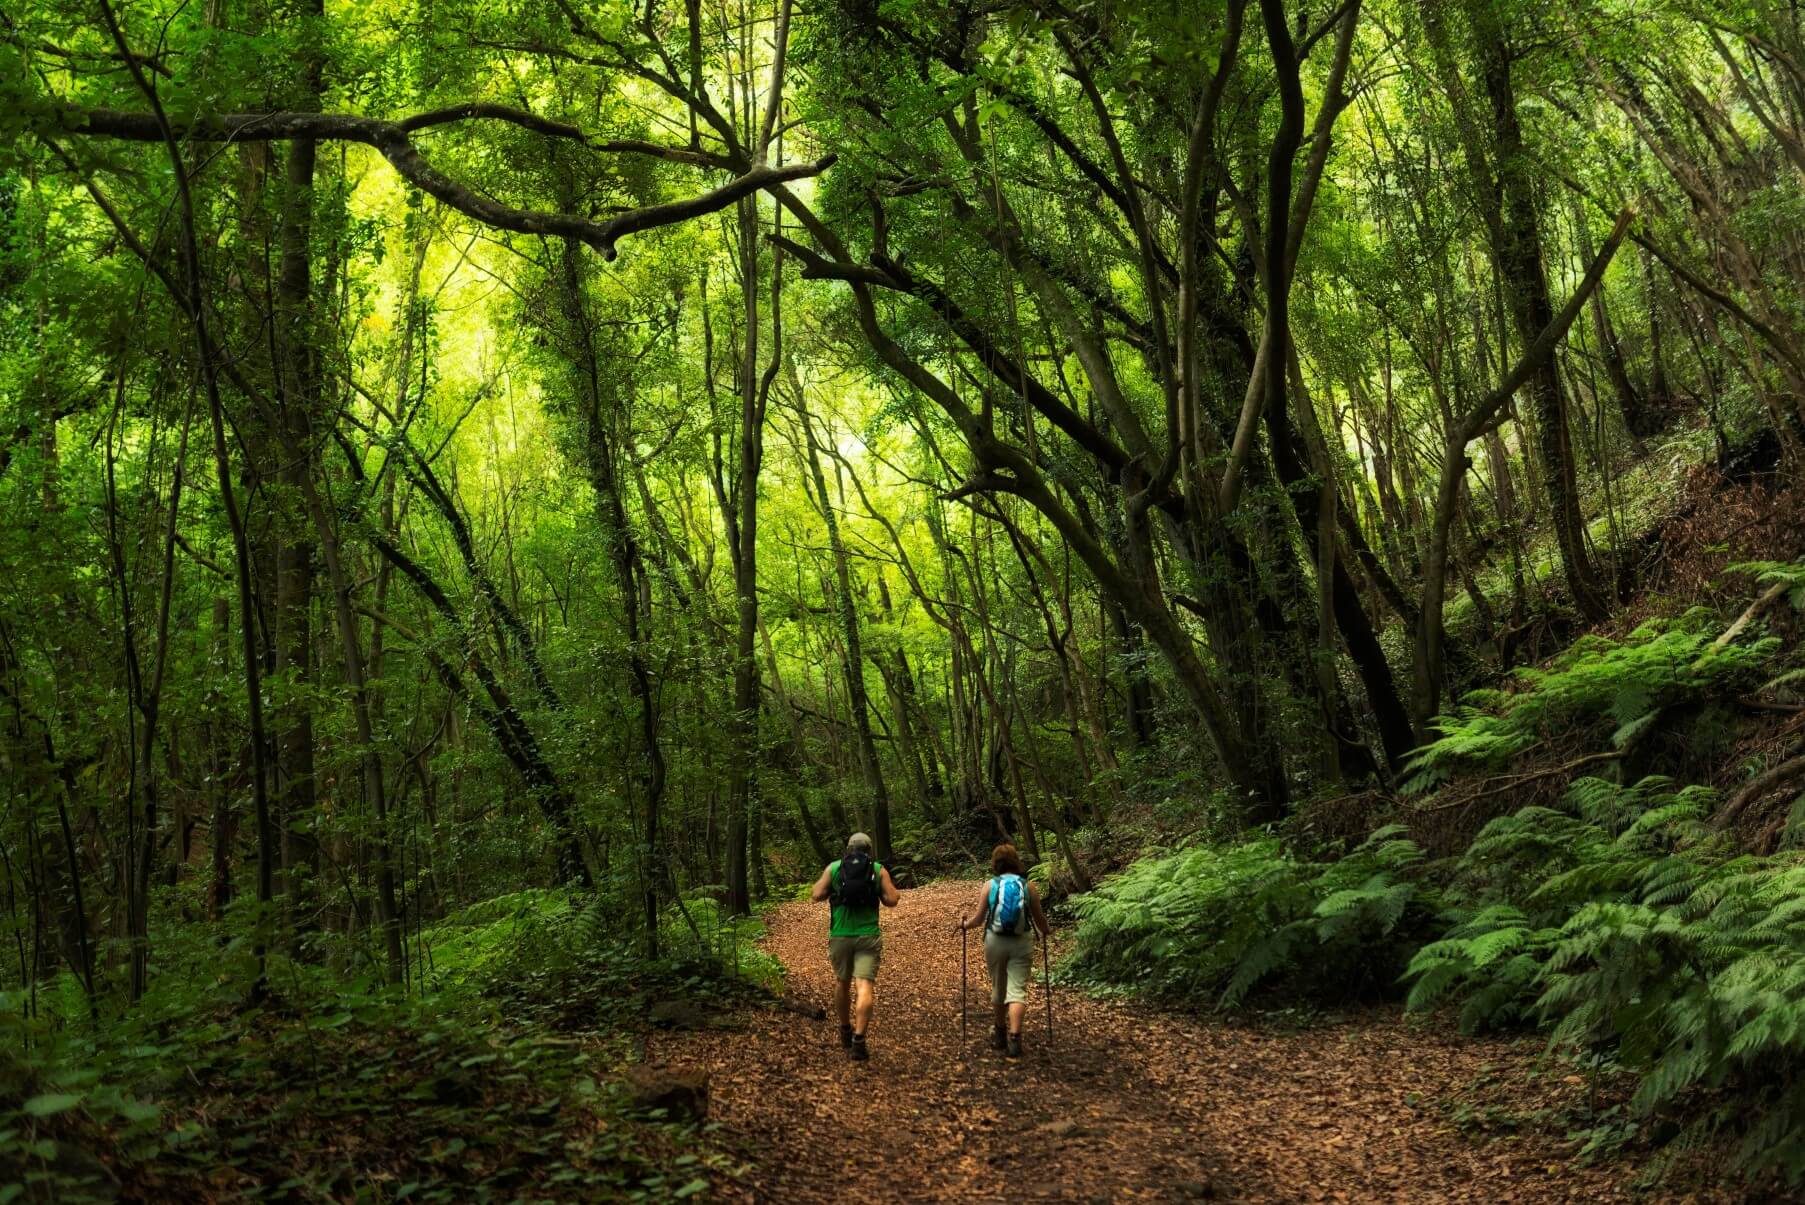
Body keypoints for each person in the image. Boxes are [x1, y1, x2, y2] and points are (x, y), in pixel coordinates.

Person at [810, 832, 899, 1062]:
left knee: (842, 982)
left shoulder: (834, 868)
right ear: (870, 850)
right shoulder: (878, 869)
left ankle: (844, 1029)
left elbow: (816, 894)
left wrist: (835, 889)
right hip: (868, 935)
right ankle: (859, 1039)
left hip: (840, 934)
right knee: (864, 985)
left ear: (849, 849)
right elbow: (892, 900)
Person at [957, 843, 1050, 1058]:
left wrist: (964, 925)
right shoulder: (1028, 886)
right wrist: (1046, 931)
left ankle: (999, 1034)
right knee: (1017, 990)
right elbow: (1038, 919)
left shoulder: (990, 885)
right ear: (1016, 861)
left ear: (995, 863)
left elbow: (979, 919)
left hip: (995, 941)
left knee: (998, 987)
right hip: (1022, 942)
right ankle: (1015, 1037)